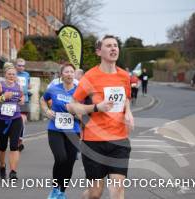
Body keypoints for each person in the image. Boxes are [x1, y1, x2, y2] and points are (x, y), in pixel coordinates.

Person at [66, 35, 134, 199]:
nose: (113, 48)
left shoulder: (124, 76)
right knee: (95, 193)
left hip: (119, 140)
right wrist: (96, 107)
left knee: (117, 189)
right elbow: (71, 106)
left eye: (116, 45)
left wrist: (129, 113)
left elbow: (126, 98)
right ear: (99, 51)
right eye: (108, 45)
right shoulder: (90, 77)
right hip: (93, 142)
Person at [40, 63, 81, 199]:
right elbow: (43, 100)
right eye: (66, 72)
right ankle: (55, 188)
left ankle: (62, 192)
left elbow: (87, 110)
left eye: (71, 72)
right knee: (61, 158)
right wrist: (46, 110)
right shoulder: (53, 89)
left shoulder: (80, 91)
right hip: (55, 129)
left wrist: (79, 114)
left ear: (74, 74)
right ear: (61, 75)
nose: (69, 74)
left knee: (69, 163)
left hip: (73, 130)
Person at [0, 63, 24, 179]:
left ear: (16, 75)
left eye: (13, 74)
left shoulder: (19, 86)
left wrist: (21, 100)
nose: (11, 76)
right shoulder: (0, 86)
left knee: (14, 146)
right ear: (5, 75)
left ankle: (13, 171)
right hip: (1, 120)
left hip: (16, 119)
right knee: (2, 146)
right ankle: (2, 166)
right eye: (9, 74)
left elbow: (22, 98)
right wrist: (3, 97)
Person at [15, 58, 31, 152]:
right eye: (19, 65)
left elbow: (28, 85)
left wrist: (28, 88)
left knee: (22, 120)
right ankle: (16, 139)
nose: (21, 67)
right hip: (14, 101)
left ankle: (20, 140)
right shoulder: (13, 74)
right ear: (16, 66)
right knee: (15, 122)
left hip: (25, 100)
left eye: (23, 65)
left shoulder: (26, 74)